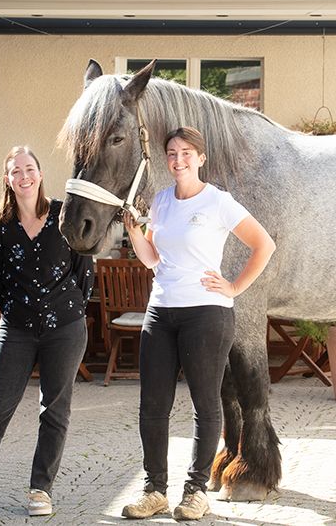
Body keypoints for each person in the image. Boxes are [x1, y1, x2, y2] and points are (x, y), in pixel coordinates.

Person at [120, 127, 276, 521]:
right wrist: (134, 231)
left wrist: (234, 286)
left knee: (205, 404)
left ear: (201, 158)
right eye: (172, 153)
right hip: (161, 311)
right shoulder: (160, 201)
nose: (178, 159)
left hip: (207, 313)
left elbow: (264, 245)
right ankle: (154, 490)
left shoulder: (218, 202)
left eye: (187, 152)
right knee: (152, 405)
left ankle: (195, 491)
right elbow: (154, 259)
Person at [0, 146, 93, 520]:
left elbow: (84, 273)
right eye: (15, 171)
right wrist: (20, 311)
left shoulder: (63, 216)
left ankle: (41, 489)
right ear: (7, 180)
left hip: (66, 327)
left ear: (40, 174)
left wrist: (66, 307)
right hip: (18, 329)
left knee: (55, 409)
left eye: (29, 169)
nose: (23, 176)